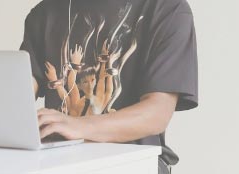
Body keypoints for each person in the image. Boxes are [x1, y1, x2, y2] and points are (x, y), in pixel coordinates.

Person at [20, 0, 198, 173]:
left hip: (133, 161)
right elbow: (20, 93)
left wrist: (77, 126)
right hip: (62, 160)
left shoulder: (168, 9)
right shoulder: (44, 13)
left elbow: (157, 113)